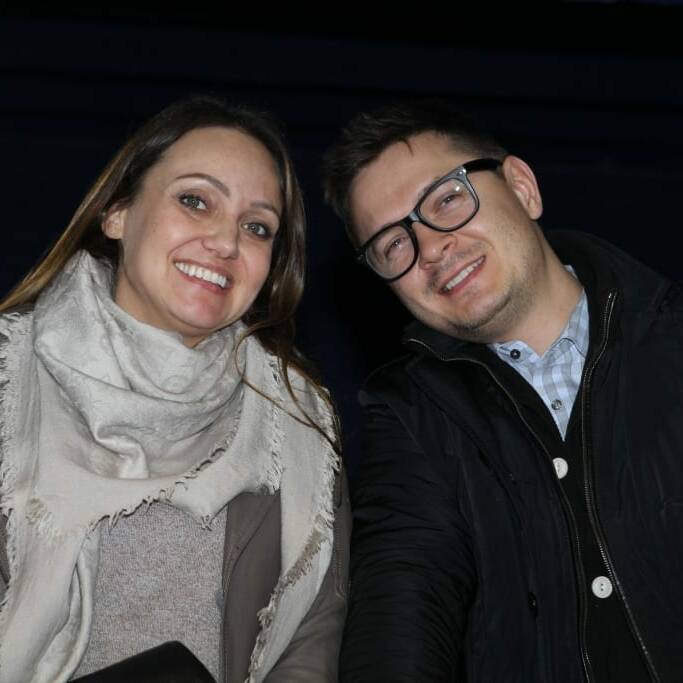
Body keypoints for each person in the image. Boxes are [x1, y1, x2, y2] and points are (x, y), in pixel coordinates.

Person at [322, 100, 683, 682]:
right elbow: (400, 604)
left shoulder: (671, 340)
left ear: (522, 187)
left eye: (446, 199)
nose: (431, 249)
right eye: (393, 244)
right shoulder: (411, 417)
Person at [0, 96, 350, 683]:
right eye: (195, 201)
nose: (225, 241)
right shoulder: (10, 376)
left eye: (256, 226)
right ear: (117, 213)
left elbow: (313, 637)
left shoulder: (300, 417)